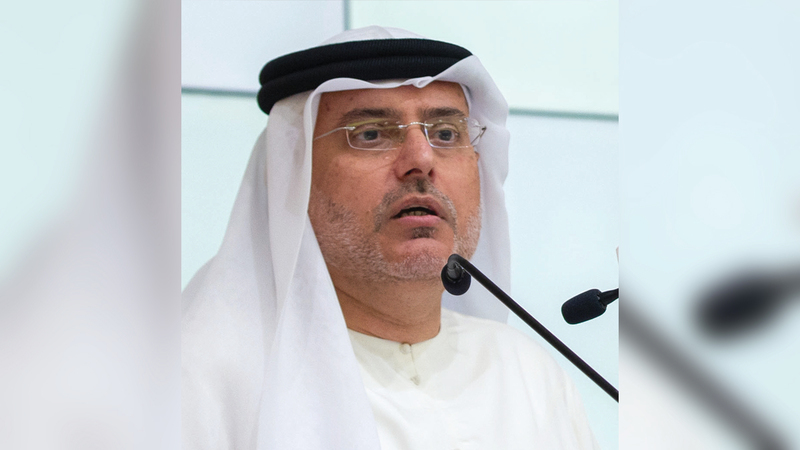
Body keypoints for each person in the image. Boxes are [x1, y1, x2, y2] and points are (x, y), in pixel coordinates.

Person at [182, 26, 600, 450]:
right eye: (371, 133)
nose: (421, 159)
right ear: (294, 176)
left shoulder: (530, 376)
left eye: (446, 133)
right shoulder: (200, 380)